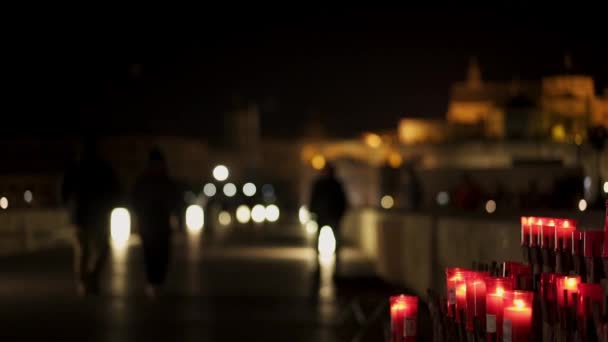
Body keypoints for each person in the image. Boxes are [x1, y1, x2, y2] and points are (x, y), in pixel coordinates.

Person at [62, 137, 120, 296]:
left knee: (84, 250)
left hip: (82, 214)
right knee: (98, 248)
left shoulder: (76, 167)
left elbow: (64, 190)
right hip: (94, 214)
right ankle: (89, 279)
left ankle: (85, 281)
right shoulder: (100, 167)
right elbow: (115, 188)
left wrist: (68, 205)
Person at [132, 147, 180, 298]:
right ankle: (153, 282)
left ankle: (158, 282)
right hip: (148, 223)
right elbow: (134, 200)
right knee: (150, 254)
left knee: (163, 254)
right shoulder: (144, 181)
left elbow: (175, 201)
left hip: (162, 224)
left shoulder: (165, 181)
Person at [309, 162, 348, 273]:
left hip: (325, 216)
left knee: (326, 240)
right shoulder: (336, 184)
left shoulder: (321, 184)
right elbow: (343, 201)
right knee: (336, 240)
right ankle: (336, 264)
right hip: (330, 216)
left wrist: (313, 212)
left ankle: (321, 263)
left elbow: (313, 200)